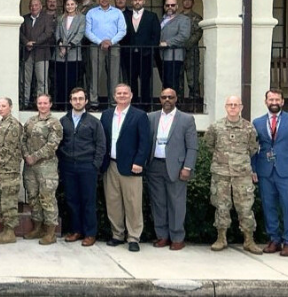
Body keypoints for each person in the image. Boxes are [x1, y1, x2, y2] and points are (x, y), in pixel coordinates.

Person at [202, 96, 263, 254]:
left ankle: (249, 240)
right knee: (221, 206)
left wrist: (238, 161)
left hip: (242, 175)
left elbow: (253, 148)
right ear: (226, 107)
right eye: (230, 104)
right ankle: (221, 238)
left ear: (241, 107)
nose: (233, 107)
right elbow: (208, 145)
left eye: (236, 105)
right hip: (221, 174)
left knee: (245, 208)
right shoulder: (216, 127)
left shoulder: (249, 128)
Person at [252, 88, 288, 257]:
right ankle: (274, 240)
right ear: (266, 102)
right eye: (271, 100)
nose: (274, 103)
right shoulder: (258, 122)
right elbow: (253, 149)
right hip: (265, 171)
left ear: (282, 102)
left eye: (277, 100)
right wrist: (253, 169)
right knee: (269, 207)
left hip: (287, 172)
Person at [100, 83, 151, 252]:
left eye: (125, 93)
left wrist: (139, 162)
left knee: (133, 203)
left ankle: (134, 237)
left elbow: (145, 142)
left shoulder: (139, 115)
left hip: (131, 167)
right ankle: (117, 235)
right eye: (119, 93)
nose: (122, 96)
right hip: (111, 165)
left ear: (131, 95)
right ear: (114, 96)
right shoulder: (106, 115)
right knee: (113, 202)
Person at [145, 87, 197, 250]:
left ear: (176, 99)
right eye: (163, 97)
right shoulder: (151, 117)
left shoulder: (186, 119)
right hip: (155, 165)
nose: (167, 100)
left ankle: (177, 237)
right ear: (159, 99)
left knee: (176, 203)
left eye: (170, 97)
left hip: (177, 167)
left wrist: (187, 167)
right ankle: (162, 236)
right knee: (158, 203)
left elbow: (192, 147)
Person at [58, 87, 106, 246]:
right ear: (70, 101)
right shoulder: (63, 121)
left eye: (80, 98)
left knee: (88, 201)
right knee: (72, 200)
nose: (77, 101)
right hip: (68, 167)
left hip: (87, 166)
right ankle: (76, 230)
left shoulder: (94, 122)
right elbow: (58, 143)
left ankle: (90, 233)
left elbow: (101, 145)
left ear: (85, 101)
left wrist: (95, 165)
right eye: (74, 99)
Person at [20, 94, 63, 245]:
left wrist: (35, 156)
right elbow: (23, 139)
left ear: (50, 104)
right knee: (33, 196)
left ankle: (50, 232)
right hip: (30, 166)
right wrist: (26, 155)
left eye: (45, 103)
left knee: (47, 198)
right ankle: (37, 227)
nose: (42, 105)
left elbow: (52, 145)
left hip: (46, 167)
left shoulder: (54, 123)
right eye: (40, 103)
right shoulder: (31, 121)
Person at [84, 0, 126, 109]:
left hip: (114, 46)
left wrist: (111, 42)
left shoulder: (117, 12)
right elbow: (88, 31)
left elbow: (122, 30)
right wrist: (100, 42)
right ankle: (94, 103)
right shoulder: (92, 12)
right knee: (94, 75)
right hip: (95, 46)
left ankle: (113, 103)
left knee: (114, 76)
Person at [0, 97, 23, 244]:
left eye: (4, 106)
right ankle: (5, 230)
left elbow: (8, 148)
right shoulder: (1, 123)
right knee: (0, 200)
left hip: (8, 170)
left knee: (8, 202)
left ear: (10, 107)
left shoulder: (13, 125)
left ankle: (10, 232)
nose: (1, 108)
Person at [121, 0, 160, 110]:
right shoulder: (125, 16)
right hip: (129, 54)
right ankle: (132, 105)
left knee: (145, 80)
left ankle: (145, 105)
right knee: (131, 80)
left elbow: (156, 35)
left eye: (140, 0)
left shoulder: (151, 16)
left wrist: (150, 50)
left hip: (146, 54)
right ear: (132, 2)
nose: (137, 2)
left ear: (144, 2)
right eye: (135, 0)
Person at [20, 0, 55, 109]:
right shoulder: (24, 19)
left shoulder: (47, 18)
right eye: (31, 5)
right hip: (27, 53)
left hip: (42, 53)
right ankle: (24, 102)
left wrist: (34, 43)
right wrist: (27, 43)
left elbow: (48, 33)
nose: (33, 7)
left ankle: (42, 104)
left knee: (42, 80)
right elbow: (20, 33)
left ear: (40, 6)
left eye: (36, 5)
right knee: (25, 80)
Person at [53, 0, 86, 110]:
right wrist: (61, 44)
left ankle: (71, 104)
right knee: (60, 79)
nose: (70, 6)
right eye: (68, 4)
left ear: (76, 5)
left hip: (74, 53)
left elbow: (80, 34)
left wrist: (68, 46)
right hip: (60, 53)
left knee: (72, 79)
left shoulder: (81, 18)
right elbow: (57, 33)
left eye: (72, 4)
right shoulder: (60, 18)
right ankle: (61, 104)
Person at [180, 0, 203, 100]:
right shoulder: (178, 17)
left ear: (193, 3)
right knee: (178, 79)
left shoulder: (197, 17)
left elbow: (198, 34)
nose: (187, 2)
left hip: (191, 52)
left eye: (189, 0)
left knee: (192, 79)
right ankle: (179, 102)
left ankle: (194, 102)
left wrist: (185, 45)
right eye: (185, 0)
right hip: (179, 52)